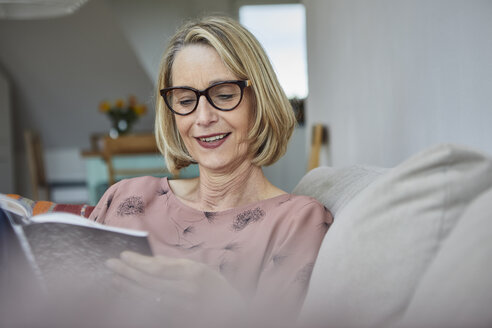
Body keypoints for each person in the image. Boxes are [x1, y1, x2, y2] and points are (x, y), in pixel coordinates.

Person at [89, 15, 332, 326]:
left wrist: (224, 305)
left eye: (224, 95)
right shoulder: (125, 197)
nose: (203, 118)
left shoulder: (298, 221)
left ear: (260, 100)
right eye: (186, 100)